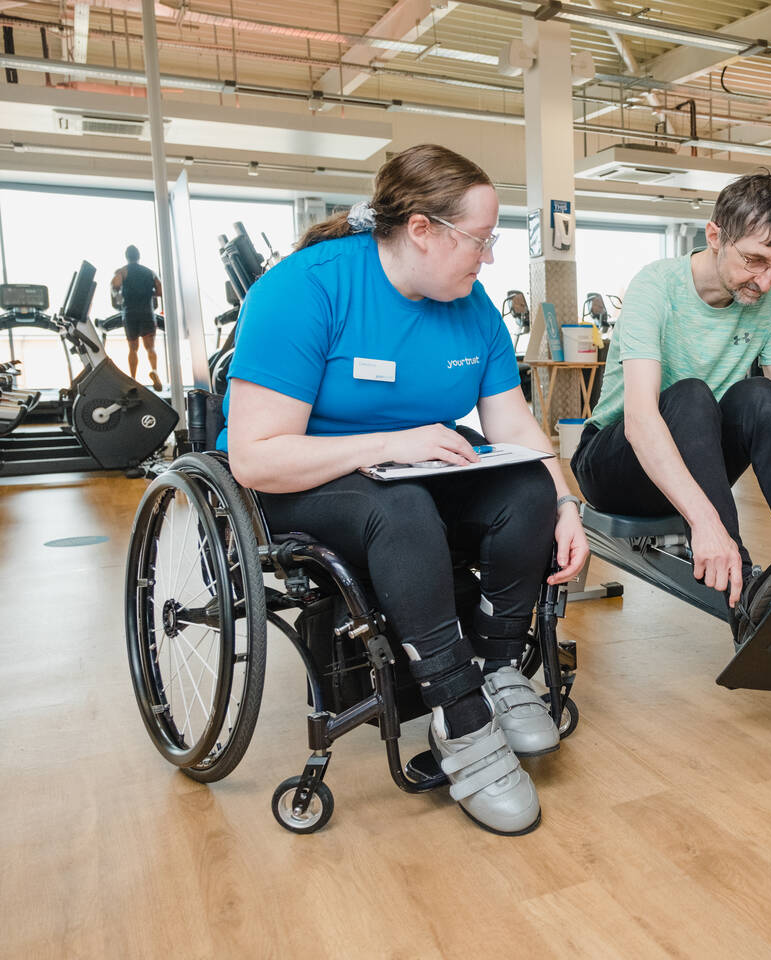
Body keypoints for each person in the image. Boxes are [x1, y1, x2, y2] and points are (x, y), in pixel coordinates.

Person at [221, 144, 588, 835]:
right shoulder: (306, 288)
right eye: (480, 240)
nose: (488, 258)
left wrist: (566, 500)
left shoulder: (473, 306)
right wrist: (391, 445)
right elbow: (256, 457)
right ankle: (460, 713)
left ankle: (501, 668)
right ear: (422, 229)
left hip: (417, 466)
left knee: (527, 488)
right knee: (402, 509)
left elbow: (510, 421)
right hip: (305, 480)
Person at [570, 172, 771, 642]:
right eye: (754, 260)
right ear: (715, 236)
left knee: (759, 397)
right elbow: (642, 421)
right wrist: (706, 528)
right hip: (615, 463)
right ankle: (742, 591)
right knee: (690, 394)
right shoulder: (656, 286)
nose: (765, 281)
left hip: (693, 461)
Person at [111, 246, 163, 390]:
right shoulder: (149, 272)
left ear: (127, 257)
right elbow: (160, 290)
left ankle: (133, 379)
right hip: (147, 312)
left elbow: (115, 285)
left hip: (130, 313)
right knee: (150, 347)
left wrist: (118, 292)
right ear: (139, 256)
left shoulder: (123, 271)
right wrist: (149, 292)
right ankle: (154, 371)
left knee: (133, 349)